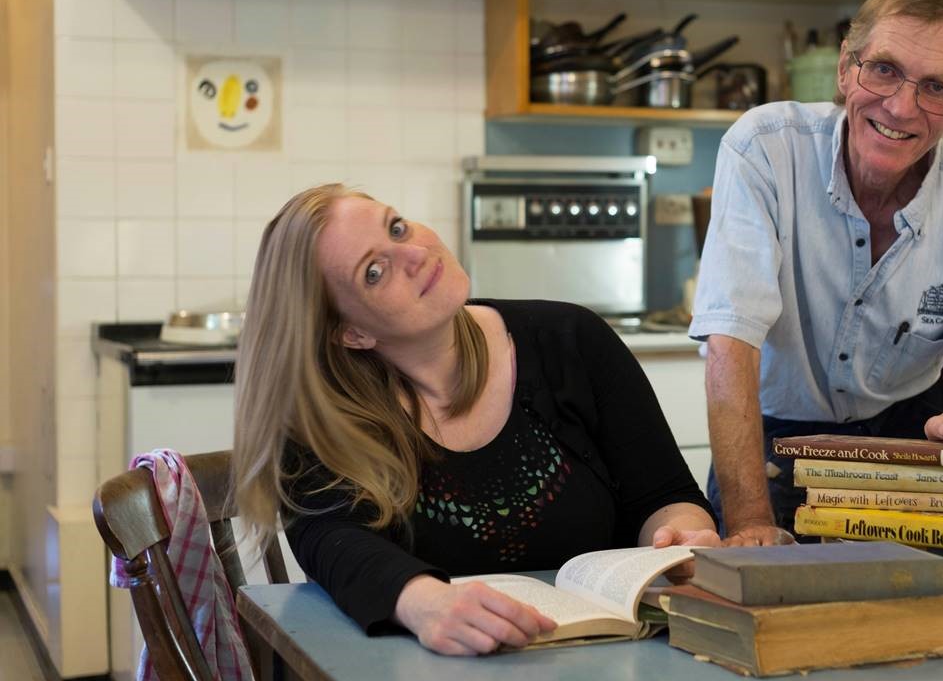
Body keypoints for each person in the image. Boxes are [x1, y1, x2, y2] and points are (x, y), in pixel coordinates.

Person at [233, 183, 717, 656]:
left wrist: (684, 537)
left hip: (619, 663)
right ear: (352, 333)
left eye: (397, 228)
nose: (415, 255)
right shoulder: (326, 415)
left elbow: (664, 496)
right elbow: (331, 540)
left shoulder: (574, 339)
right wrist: (426, 604)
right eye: (375, 272)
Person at [689, 0, 943, 546]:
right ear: (847, 68)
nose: (901, 106)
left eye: (936, 87)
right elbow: (730, 343)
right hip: (768, 440)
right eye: (884, 69)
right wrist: (750, 522)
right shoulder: (764, 149)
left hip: (908, 446)